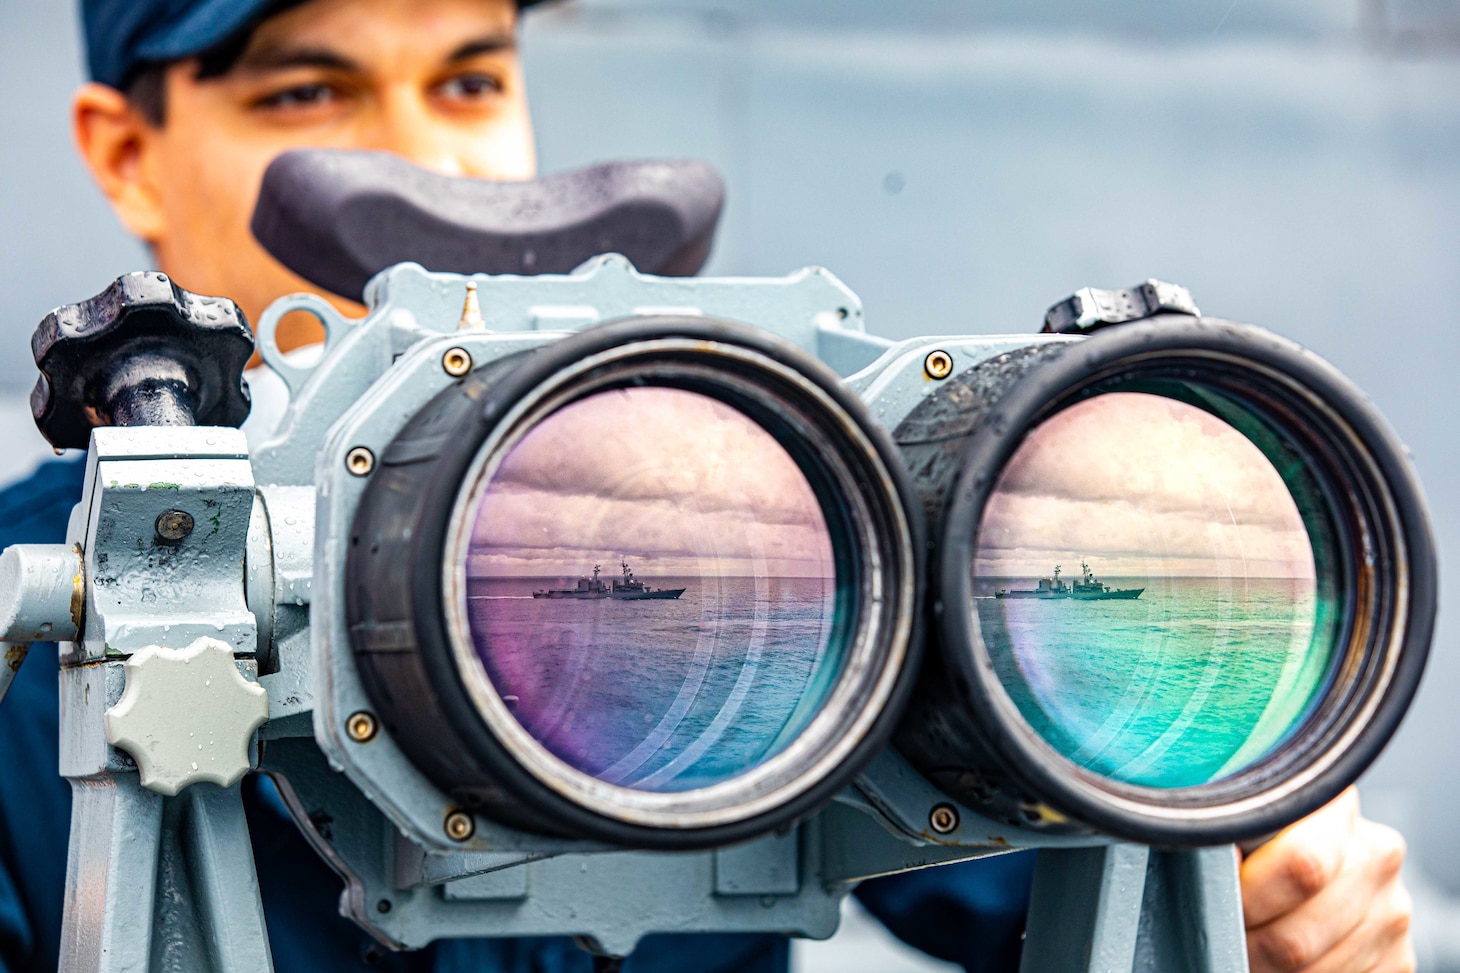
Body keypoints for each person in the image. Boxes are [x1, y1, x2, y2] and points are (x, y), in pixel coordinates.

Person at [0, 0, 1416, 970]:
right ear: (127, 152)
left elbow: (1000, 797)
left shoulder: (764, 522)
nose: (425, 155)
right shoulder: (38, 628)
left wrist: (1248, 878)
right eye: (307, 88)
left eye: (472, 80)